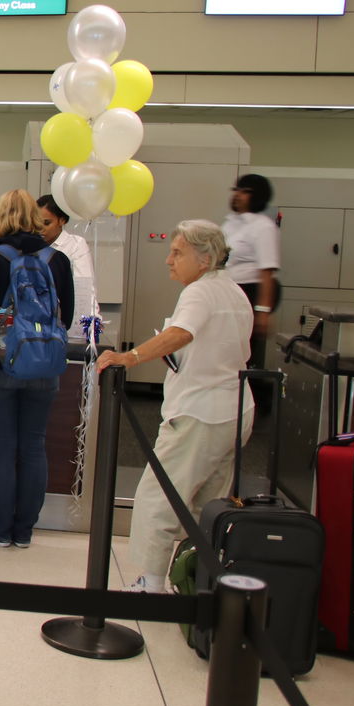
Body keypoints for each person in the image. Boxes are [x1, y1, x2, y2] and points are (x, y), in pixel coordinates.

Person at [98, 220, 254, 592]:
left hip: (200, 413)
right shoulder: (233, 290)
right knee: (206, 505)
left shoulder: (200, 292)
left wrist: (129, 357)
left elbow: (180, 334)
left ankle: (150, 583)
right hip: (235, 411)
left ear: (205, 258)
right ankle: (194, 579)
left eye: (178, 252)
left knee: (159, 495)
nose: (169, 260)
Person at [0, 189, 73, 549]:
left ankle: (0, 529)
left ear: (0, 217)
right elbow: (67, 317)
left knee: (0, 447)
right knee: (34, 445)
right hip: (43, 367)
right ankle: (25, 530)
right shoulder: (57, 261)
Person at [222, 173, 281, 376]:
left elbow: (267, 271)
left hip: (249, 291)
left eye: (245, 192)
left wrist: (262, 312)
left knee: (241, 352)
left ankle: (247, 397)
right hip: (227, 290)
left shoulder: (263, 227)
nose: (238, 195)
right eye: (236, 190)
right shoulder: (230, 223)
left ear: (257, 197)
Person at [37, 193, 96, 340]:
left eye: (46, 223)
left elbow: (85, 288)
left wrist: (89, 327)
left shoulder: (75, 245)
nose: (40, 229)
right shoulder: (32, 246)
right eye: (36, 223)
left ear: (62, 220)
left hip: (66, 326)